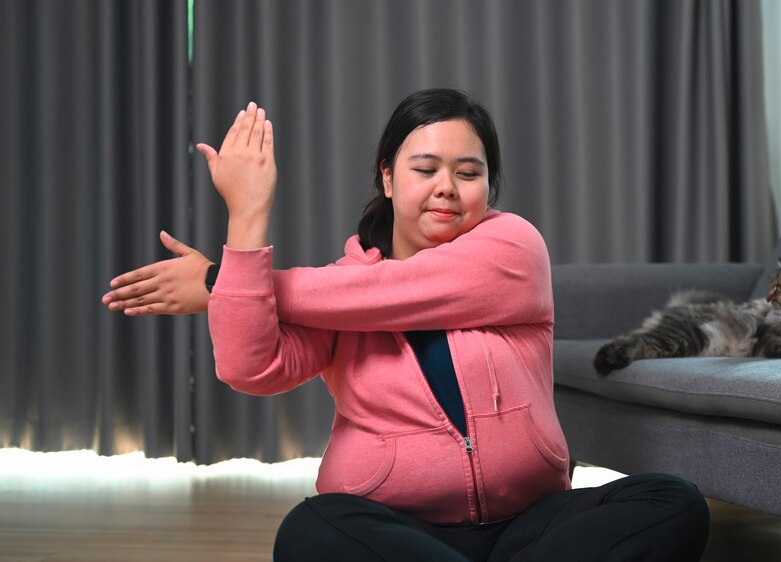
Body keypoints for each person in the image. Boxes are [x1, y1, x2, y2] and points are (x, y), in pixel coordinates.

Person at [103, 89, 709, 561]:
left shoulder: (512, 248)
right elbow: (251, 369)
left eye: (469, 174)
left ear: (488, 188)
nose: (447, 188)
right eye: (425, 169)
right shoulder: (338, 289)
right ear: (388, 178)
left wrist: (223, 283)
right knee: (312, 530)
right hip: (399, 535)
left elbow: (396, 291)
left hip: (531, 526)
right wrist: (247, 218)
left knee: (669, 501)